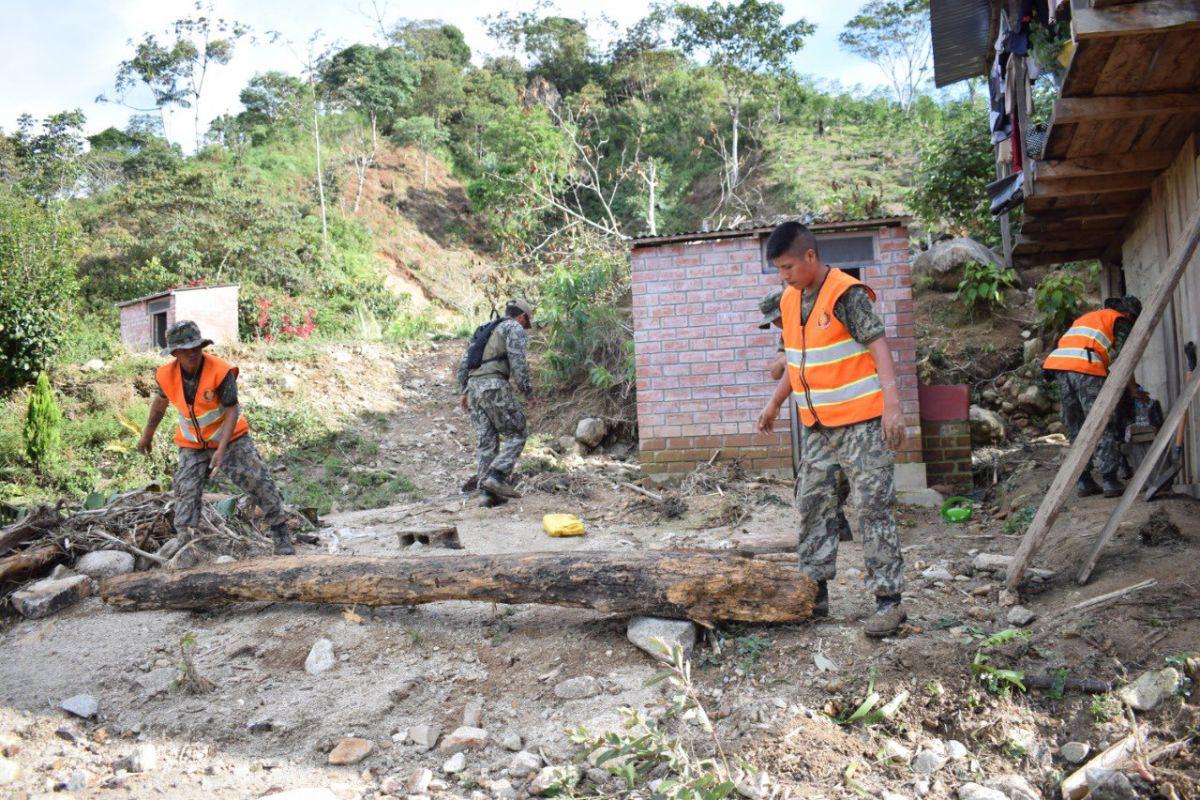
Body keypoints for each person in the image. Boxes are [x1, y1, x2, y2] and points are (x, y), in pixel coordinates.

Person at [756, 221, 907, 638]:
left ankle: (888, 602)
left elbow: (879, 346)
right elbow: (798, 361)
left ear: (810, 257)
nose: (783, 276)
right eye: (778, 269)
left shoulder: (845, 294)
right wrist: (774, 403)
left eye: (788, 267)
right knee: (812, 504)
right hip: (819, 428)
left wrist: (893, 406)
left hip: (861, 424)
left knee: (873, 508)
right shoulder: (790, 300)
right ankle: (814, 595)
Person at [137, 321, 295, 556]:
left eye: (196, 347)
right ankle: (185, 542)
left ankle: (281, 533)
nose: (192, 353)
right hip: (192, 444)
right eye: (186, 349)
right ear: (175, 352)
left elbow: (232, 409)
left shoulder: (220, 371)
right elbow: (160, 405)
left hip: (231, 439)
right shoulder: (165, 375)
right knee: (185, 490)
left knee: (258, 480)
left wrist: (221, 450)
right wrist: (146, 437)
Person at [758, 289, 852, 543]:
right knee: (811, 478)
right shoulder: (789, 333)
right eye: (774, 322)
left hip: (847, 409)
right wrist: (787, 357)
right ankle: (834, 525)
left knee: (843, 473)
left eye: (776, 319)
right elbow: (778, 371)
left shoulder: (819, 322)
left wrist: (788, 361)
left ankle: (835, 523)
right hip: (816, 415)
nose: (777, 324)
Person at [1042, 296, 1141, 498]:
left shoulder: (1090, 317)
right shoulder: (1119, 320)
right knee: (1101, 421)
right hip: (1085, 367)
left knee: (1076, 426)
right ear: (1130, 314)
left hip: (1061, 367)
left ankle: (1084, 481)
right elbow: (1127, 358)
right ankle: (1109, 479)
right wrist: (1133, 390)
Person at [457, 299, 534, 507]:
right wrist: (527, 391)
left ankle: (487, 495)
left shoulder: (485, 330)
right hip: (494, 385)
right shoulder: (513, 327)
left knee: (487, 441)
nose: (525, 328)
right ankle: (497, 477)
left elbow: (464, 363)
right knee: (517, 432)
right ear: (522, 317)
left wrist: (464, 390)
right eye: (526, 324)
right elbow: (518, 361)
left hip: (473, 389)